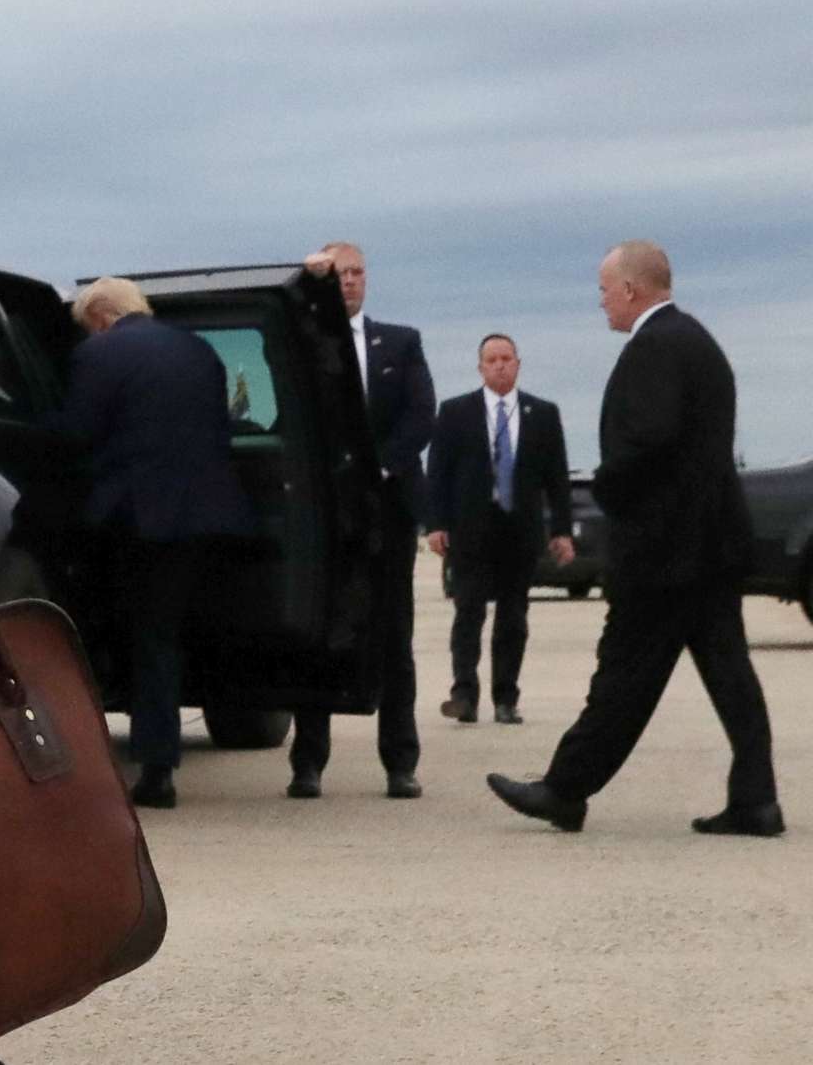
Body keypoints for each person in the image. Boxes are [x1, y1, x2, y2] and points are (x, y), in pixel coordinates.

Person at [489, 242, 783, 837]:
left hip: (664, 554)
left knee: (623, 675)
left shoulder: (655, 348)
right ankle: (755, 800)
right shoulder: (697, 342)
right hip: (708, 548)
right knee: (730, 676)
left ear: (630, 289)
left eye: (604, 289)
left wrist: (608, 490)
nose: (600, 302)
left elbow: (647, 444)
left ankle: (565, 790)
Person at [62, 278, 254, 809]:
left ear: (99, 316)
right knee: (165, 635)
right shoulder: (199, 350)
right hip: (206, 517)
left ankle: (151, 766)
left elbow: (75, 434)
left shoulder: (99, 353)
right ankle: (160, 758)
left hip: (136, 519)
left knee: (141, 636)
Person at [290, 240, 434, 800]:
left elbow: (421, 416)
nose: (350, 282)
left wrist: (378, 470)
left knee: (394, 636)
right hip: (324, 514)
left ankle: (400, 762)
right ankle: (308, 763)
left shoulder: (401, 341)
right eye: (339, 274)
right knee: (319, 634)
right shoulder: (306, 340)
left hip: (389, 513)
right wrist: (306, 282)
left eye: (357, 273)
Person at [426, 334, 574, 724]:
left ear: (518, 364)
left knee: (513, 617)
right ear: (480, 368)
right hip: (470, 529)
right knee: (468, 612)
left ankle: (506, 697)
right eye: (491, 360)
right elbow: (437, 471)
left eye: (506, 358)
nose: (500, 365)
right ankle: (464, 694)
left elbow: (556, 477)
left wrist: (561, 529)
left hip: (519, 529)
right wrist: (436, 523)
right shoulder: (456, 412)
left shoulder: (542, 413)